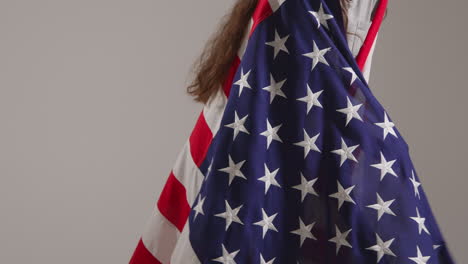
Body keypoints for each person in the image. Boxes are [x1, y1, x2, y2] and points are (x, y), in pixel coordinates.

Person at [130, 1, 456, 263]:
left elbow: (345, 89)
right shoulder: (297, 11)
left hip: (290, 148)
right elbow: (329, 93)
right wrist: (388, 155)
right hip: (266, 150)